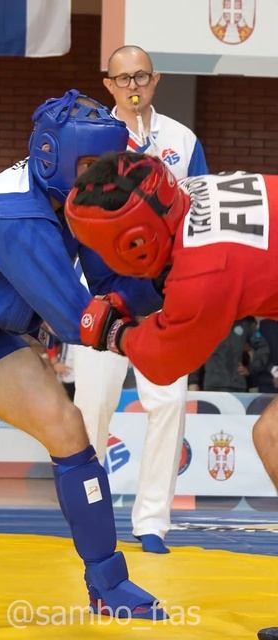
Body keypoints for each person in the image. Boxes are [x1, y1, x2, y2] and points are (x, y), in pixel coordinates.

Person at [0, 93, 168, 622]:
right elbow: (75, 315)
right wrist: (158, 331)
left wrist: (164, 275)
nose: (101, 176)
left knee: (66, 425)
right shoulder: (14, 213)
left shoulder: (79, 197)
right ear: (51, 156)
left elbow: (112, 287)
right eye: (90, 166)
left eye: (107, 165)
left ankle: (108, 583)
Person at [65, 150, 278, 490]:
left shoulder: (204, 270)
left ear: (133, 240)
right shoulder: (191, 190)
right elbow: (168, 271)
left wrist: (114, 333)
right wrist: (127, 299)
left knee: (273, 438)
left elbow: (165, 362)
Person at [73, 45, 208, 553]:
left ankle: (152, 523)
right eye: (122, 78)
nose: (133, 86)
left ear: (157, 80)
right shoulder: (86, 137)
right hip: (101, 291)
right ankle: (92, 521)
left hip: (161, 296)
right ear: (107, 84)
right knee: (92, 409)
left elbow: (202, 209)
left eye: (142, 76)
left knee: (169, 403)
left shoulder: (181, 138)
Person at [188, 317, 269, 392]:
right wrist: (193, 381)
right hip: (212, 384)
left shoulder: (245, 322)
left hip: (237, 385)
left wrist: (252, 368)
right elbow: (196, 352)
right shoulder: (207, 322)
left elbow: (263, 347)